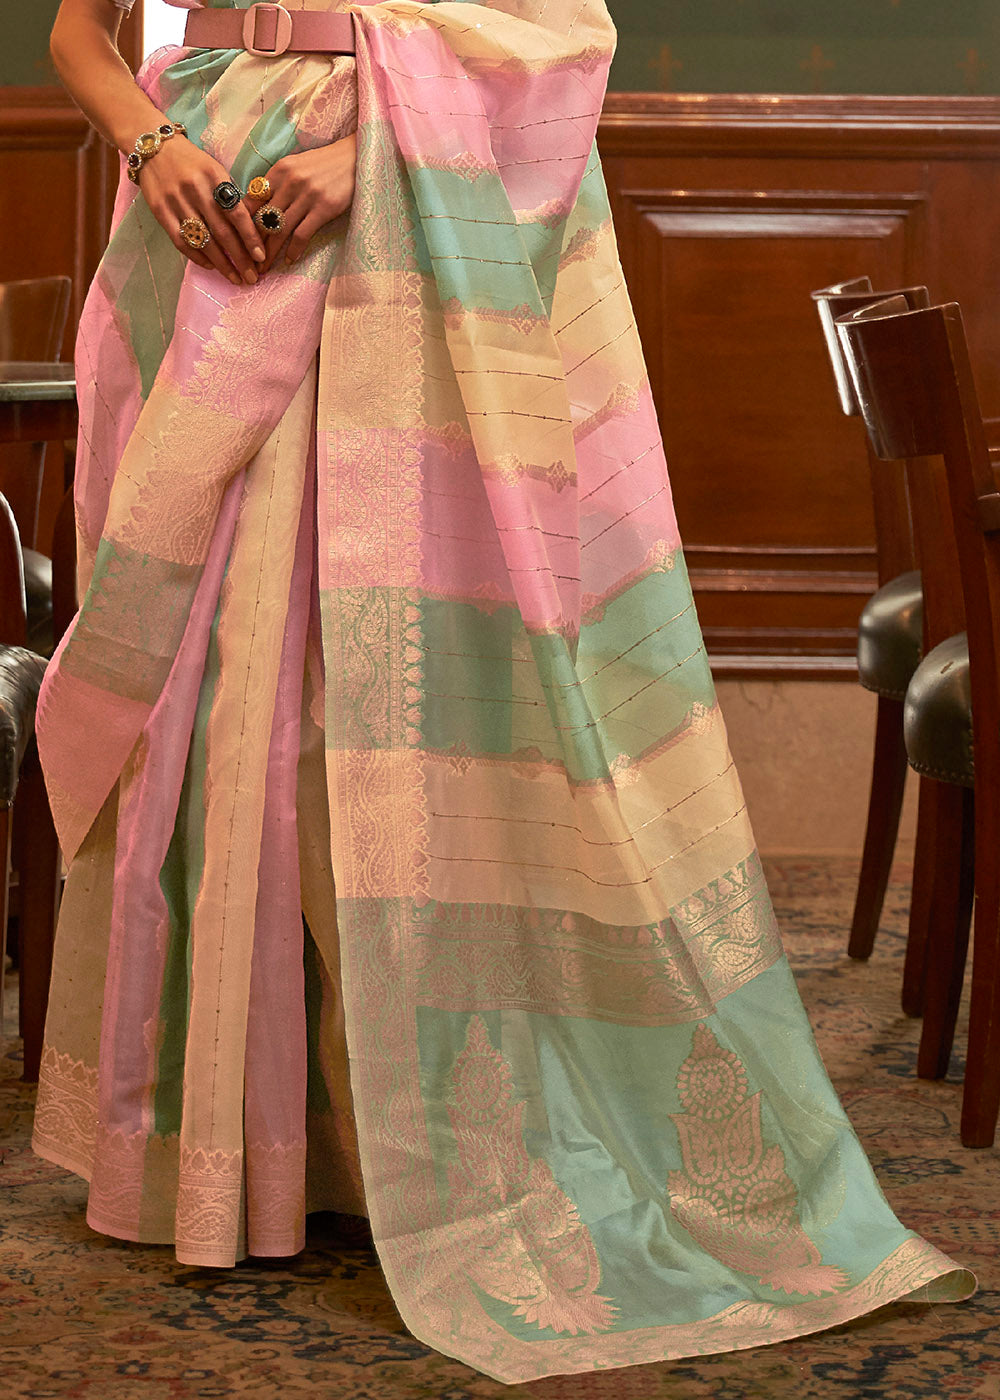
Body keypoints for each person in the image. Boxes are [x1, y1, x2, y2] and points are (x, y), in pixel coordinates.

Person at [33, 0, 973, 1385]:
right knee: (213, 699)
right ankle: (229, 1148)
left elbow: (563, 36)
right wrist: (149, 142)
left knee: (376, 714)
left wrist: (373, 158)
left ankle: (411, 1145)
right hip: (205, 219)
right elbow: (80, 31)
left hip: (389, 248)